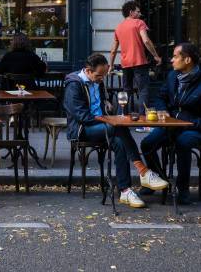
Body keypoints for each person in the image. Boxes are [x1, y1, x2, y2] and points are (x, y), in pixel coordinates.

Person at [63, 53, 168, 208]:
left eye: (104, 75)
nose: (101, 79)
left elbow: (100, 105)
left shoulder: (97, 82)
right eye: (99, 75)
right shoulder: (74, 85)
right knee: (118, 127)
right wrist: (109, 120)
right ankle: (143, 171)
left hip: (102, 126)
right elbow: (81, 115)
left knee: (119, 141)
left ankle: (125, 190)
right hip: (82, 129)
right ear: (87, 70)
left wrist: (107, 106)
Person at [140, 43, 201, 204]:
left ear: (188, 60)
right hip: (170, 126)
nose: (171, 60)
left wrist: (186, 122)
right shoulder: (172, 77)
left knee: (182, 143)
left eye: (175, 56)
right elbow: (160, 97)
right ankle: (159, 180)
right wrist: (162, 110)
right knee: (147, 144)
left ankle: (182, 189)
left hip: (193, 130)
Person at [109, 1, 162, 117]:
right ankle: (143, 120)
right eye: (138, 11)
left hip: (125, 64)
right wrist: (156, 56)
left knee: (126, 91)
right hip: (139, 62)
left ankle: (122, 117)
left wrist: (111, 65)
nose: (140, 14)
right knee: (143, 91)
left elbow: (113, 50)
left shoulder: (119, 27)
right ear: (131, 12)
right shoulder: (139, 23)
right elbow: (146, 40)